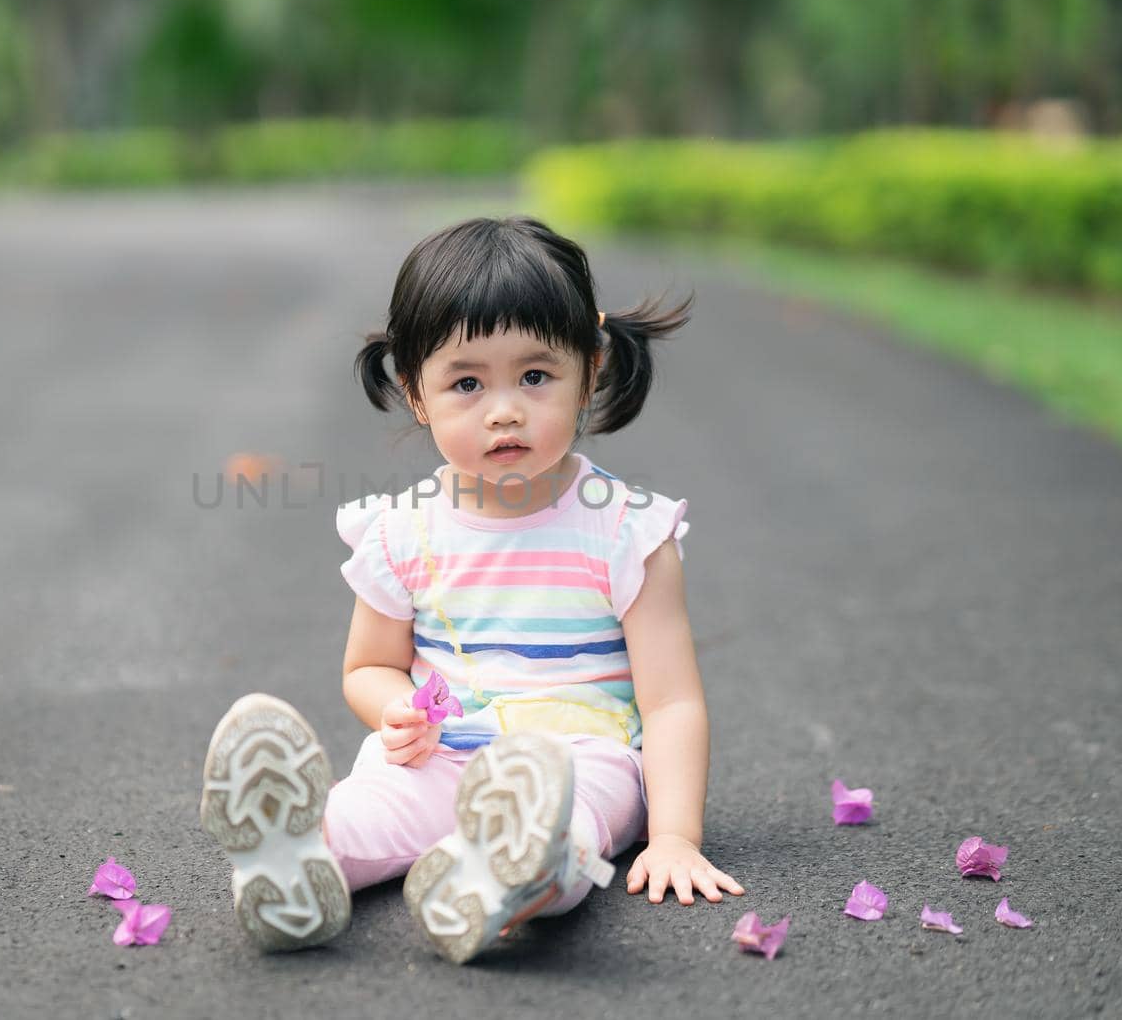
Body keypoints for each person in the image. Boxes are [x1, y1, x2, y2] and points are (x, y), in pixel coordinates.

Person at [199, 215, 744, 964]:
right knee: (365, 809)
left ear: (589, 368)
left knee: (574, 816)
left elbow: (672, 700)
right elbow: (369, 666)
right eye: (466, 382)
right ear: (414, 393)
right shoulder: (403, 532)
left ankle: (516, 871)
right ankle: (296, 862)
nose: (504, 408)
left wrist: (676, 834)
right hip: (441, 753)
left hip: (575, 759)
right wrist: (397, 712)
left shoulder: (626, 533)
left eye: (534, 375)